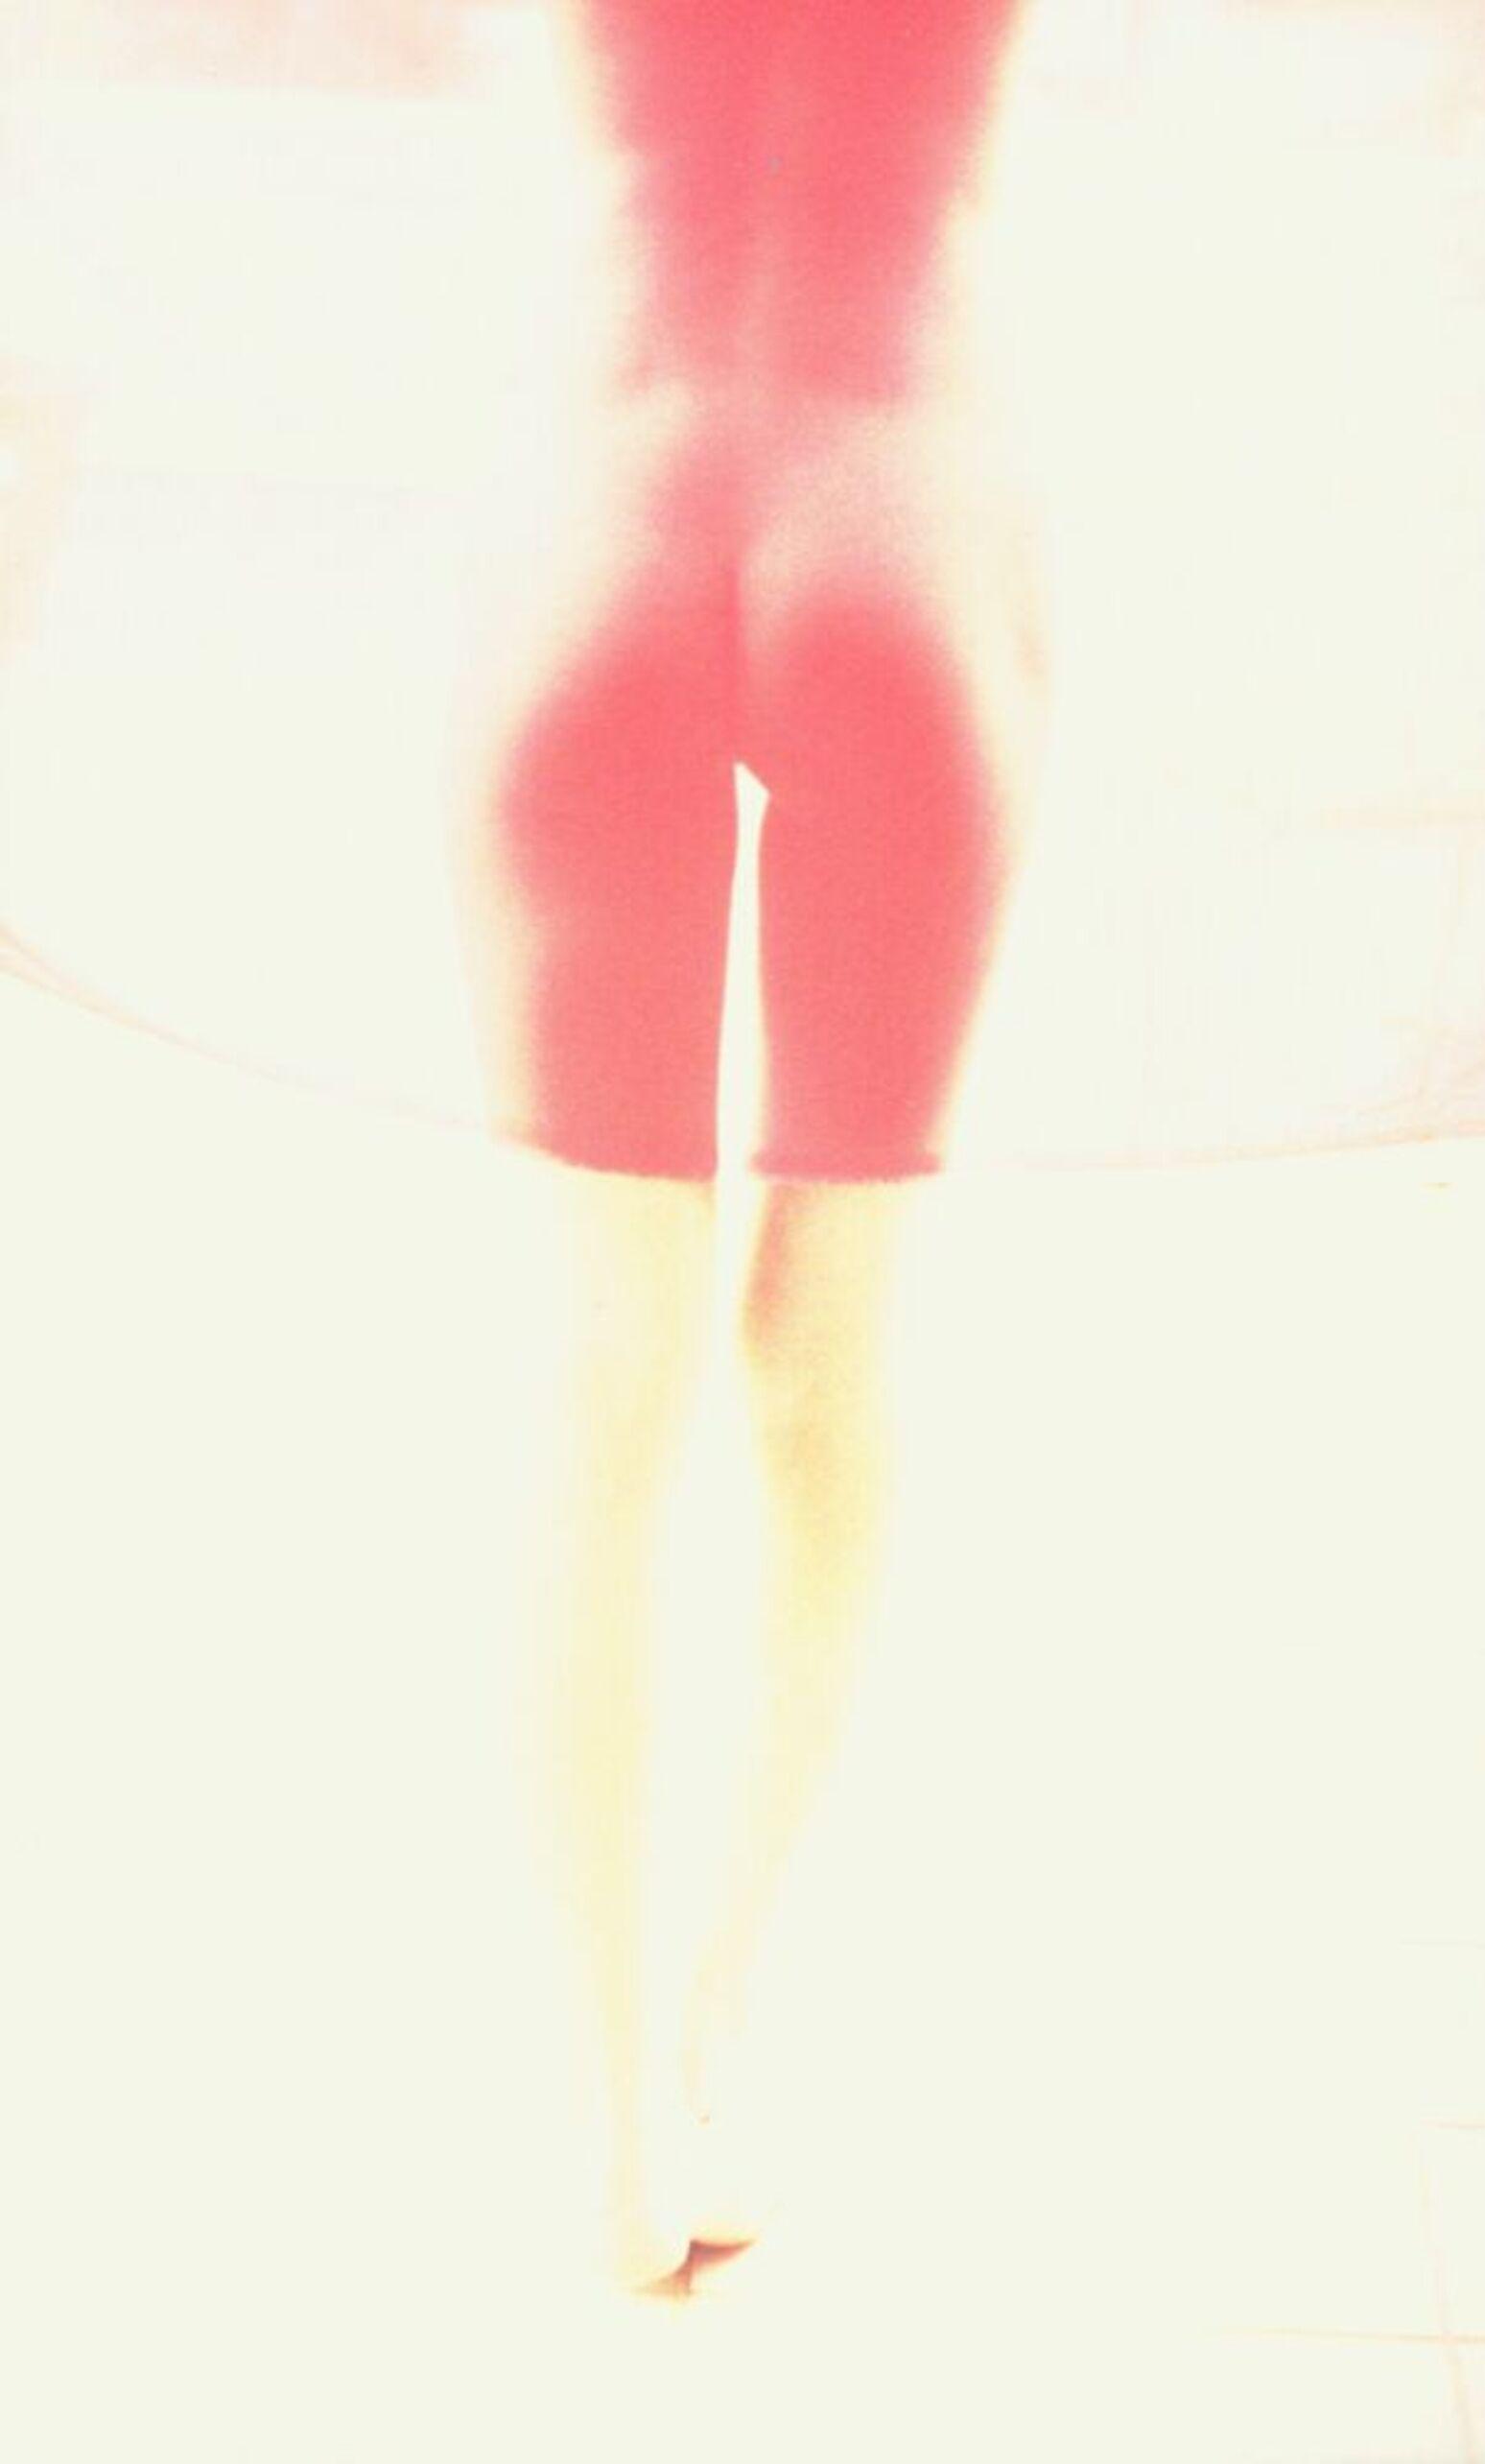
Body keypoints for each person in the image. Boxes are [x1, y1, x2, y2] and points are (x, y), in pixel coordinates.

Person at [456, 0, 1047, 2291]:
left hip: (593, 528)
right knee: (826, 1366)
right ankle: (721, 2016)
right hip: (914, 531)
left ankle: (611, 2117)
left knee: (600, 1381)